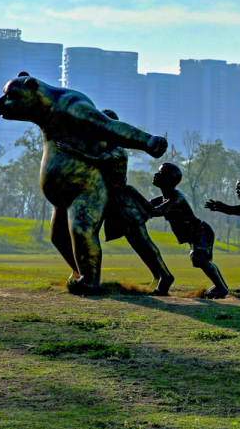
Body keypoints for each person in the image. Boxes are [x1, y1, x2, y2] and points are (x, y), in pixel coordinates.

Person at [53, 110, 174, 296]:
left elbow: (95, 161)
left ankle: (164, 276)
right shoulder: (103, 147)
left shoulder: (117, 152)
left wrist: (70, 150)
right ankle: (80, 271)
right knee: (87, 235)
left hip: (122, 201)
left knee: (141, 241)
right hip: (108, 200)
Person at [149, 163, 228, 299]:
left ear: (169, 179)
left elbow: (155, 211)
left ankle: (220, 286)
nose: (156, 175)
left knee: (199, 259)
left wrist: (138, 203)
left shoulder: (177, 199)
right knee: (201, 260)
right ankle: (221, 286)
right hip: (195, 234)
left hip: (201, 233)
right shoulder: (166, 196)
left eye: (160, 173)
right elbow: (149, 204)